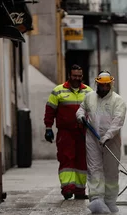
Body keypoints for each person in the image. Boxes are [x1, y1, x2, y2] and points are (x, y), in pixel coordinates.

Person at [76, 70, 127, 214]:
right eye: (101, 85)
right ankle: (96, 198)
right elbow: (81, 108)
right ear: (97, 84)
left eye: (106, 85)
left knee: (111, 171)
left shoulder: (118, 101)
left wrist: (108, 136)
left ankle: (110, 200)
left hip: (111, 141)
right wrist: (80, 115)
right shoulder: (89, 97)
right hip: (92, 139)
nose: (104, 88)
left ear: (111, 84)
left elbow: (118, 121)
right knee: (94, 168)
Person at [44, 64, 93, 200]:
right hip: (66, 133)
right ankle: (67, 188)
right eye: (74, 76)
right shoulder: (58, 91)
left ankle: (79, 190)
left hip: (83, 133)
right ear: (69, 76)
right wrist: (48, 128)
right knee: (66, 159)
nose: (77, 78)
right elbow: (50, 110)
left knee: (82, 161)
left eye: (79, 76)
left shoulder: (88, 92)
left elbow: (94, 112)